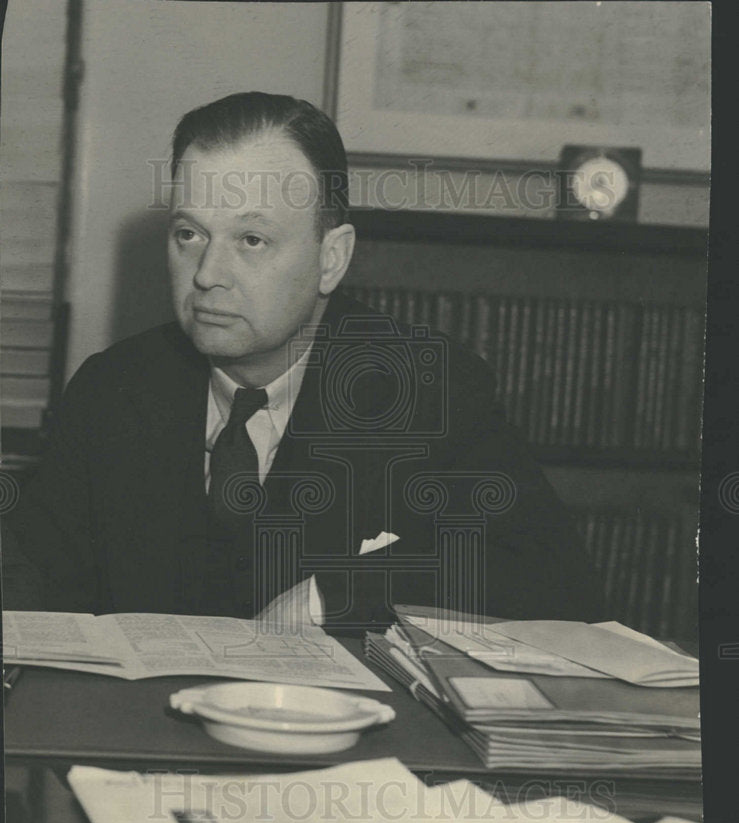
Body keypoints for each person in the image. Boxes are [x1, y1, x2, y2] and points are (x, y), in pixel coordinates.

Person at [3, 91, 604, 632]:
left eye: (251, 240)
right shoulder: (114, 389)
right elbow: (32, 578)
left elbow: (555, 587)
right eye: (189, 234)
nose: (207, 275)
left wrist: (341, 593)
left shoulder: (426, 388)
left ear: (331, 259)